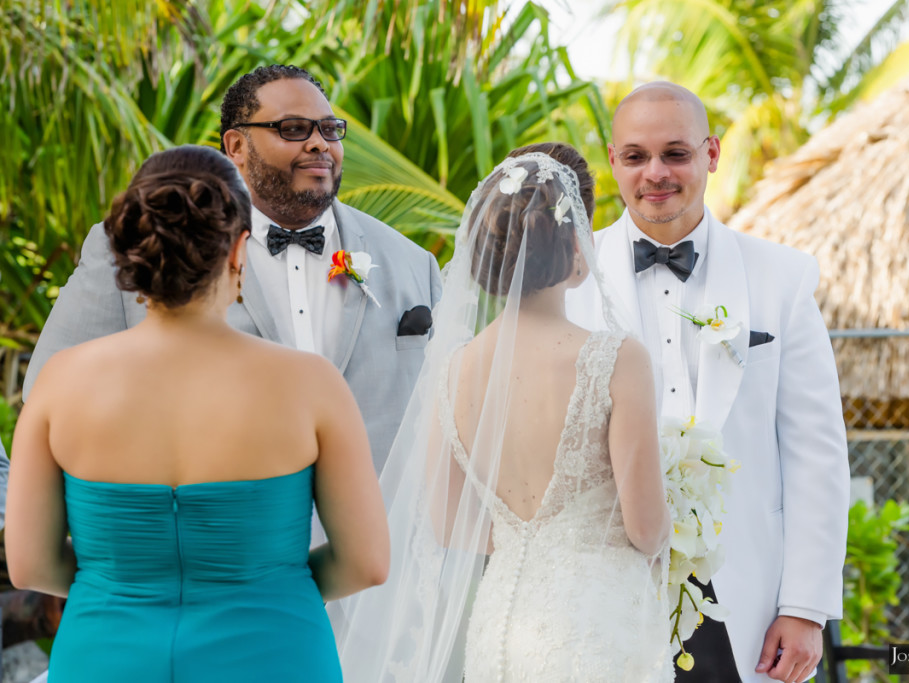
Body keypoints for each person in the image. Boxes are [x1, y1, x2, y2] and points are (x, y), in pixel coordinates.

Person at [4, 145, 389, 681]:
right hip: (277, 653)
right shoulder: (310, 385)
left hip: (106, 656)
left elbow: (29, 564)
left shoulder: (59, 384)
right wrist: (269, 587)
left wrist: (123, 586)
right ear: (238, 251)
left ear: (133, 250)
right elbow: (367, 563)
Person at [336, 143, 674, 682]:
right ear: (576, 243)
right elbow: (647, 528)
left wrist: (526, 543)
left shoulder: (451, 369)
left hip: (501, 626)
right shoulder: (615, 359)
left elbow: (448, 522)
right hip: (596, 624)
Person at [23, 65, 442, 478]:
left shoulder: (413, 263)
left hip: (386, 537)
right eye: (293, 128)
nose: (319, 144)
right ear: (236, 145)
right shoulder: (134, 248)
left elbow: (448, 418)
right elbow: (50, 393)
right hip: (214, 528)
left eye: (330, 129)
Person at [567, 82, 850, 683]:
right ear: (613, 161)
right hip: (607, 597)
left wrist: (805, 607)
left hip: (747, 606)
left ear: (711, 154)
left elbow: (816, 453)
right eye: (637, 156)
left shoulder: (785, 277)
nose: (656, 173)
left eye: (676, 153)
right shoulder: (567, 285)